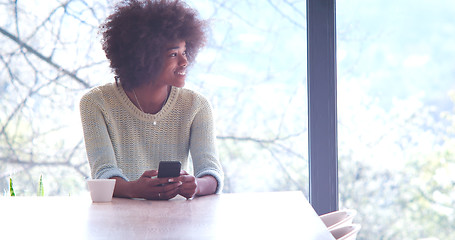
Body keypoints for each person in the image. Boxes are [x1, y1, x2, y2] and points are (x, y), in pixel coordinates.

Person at [79, 0, 223, 200]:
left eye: (185, 52)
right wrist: (134, 189)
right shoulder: (96, 103)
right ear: (144, 57)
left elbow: (211, 172)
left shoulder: (196, 106)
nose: (185, 61)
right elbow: (103, 173)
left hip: (180, 220)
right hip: (118, 222)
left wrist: (196, 185)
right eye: (174, 54)